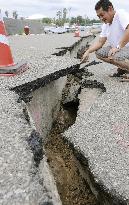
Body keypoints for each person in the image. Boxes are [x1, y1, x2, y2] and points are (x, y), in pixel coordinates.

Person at [81, 0, 129, 81]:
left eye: (102, 15)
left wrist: (118, 46)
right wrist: (88, 51)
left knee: (114, 56)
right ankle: (123, 69)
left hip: (125, 47)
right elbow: (100, 42)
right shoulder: (105, 25)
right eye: (98, 16)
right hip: (119, 49)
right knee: (99, 53)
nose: (101, 18)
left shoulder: (120, 14)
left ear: (110, 9)